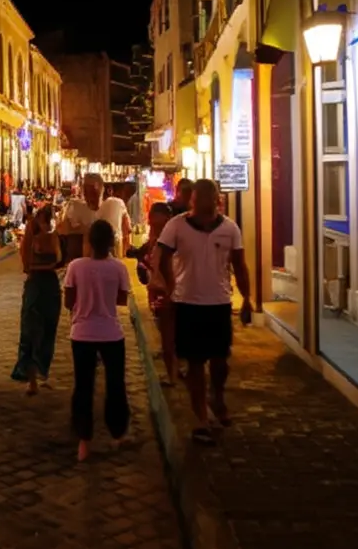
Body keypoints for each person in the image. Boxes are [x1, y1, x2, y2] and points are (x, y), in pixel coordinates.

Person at [155, 178, 251, 446]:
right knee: (195, 363)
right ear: (192, 201)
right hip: (187, 303)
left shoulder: (230, 229)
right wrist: (170, 286)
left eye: (207, 200)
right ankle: (201, 418)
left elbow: (239, 264)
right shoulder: (176, 226)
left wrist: (247, 298)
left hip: (219, 303)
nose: (200, 206)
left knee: (220, 361)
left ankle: (217, 397)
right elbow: (162, 256)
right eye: (197, 201)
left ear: (216, 201)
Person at [64, 220, 132, 462]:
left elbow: (68, 301)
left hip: (82, 333)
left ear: (89, 242)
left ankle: (84, 440)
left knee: (83, 386)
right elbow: (122, 300)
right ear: (111, 242)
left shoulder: (75, 267)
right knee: (115, 385)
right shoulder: (119, 268)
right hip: (111, 333)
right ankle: (118, 433)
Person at [12, 203, 62, 395]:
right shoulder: (35, 233)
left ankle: (38, 374)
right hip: (40, 284)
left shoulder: (51, 233)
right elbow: (32, 262)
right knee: (33, 331)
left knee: (43, 330)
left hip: (43, 284)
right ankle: (33, 377)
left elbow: (55, 259)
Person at [135, 202, 178, 386]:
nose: (152, 221)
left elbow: (167, 268)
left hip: (168, 291)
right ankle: (174, 371)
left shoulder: (170, 240)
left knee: (169, 334)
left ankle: (174, 374)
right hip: (160, 289)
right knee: (166, 331)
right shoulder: (156, 239)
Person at [57, 173, 131, 260]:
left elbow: (127, 230)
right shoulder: (74, 207)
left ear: (103, 190)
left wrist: (123, 254)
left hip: (110, 260)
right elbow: (61, 230)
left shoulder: (116, 204)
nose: (90, 197)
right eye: (86, 192)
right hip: (85, 262)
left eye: (93, 192)